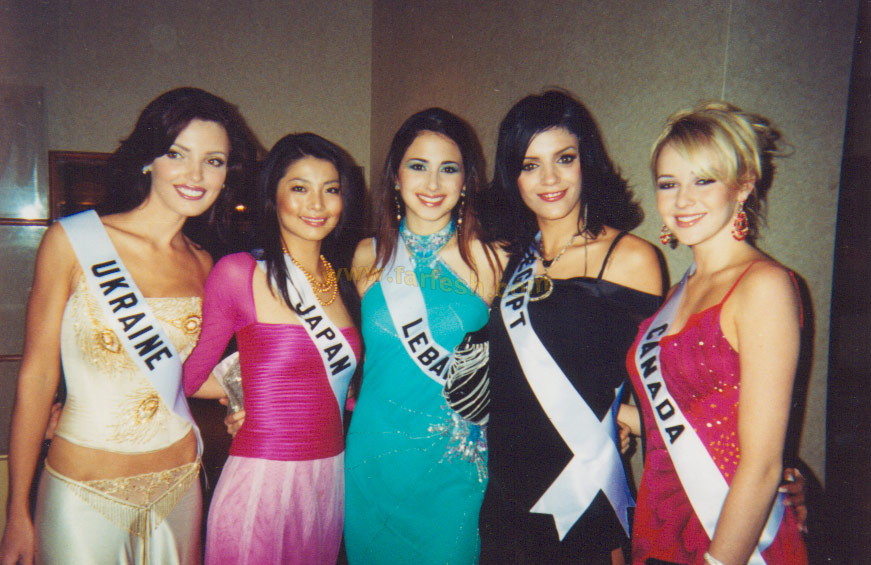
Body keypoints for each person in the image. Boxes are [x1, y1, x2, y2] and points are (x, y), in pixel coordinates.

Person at [0, 87, 255, 565]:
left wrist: (248, 399)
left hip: (180, 487)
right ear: (147, 159)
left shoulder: (205, 264)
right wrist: (17, 508)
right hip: (82, 491)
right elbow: (37, 375)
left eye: (214, 161)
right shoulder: (72, 241)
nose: (195, 175)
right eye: (177, 154)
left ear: (226, 176)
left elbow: (183, 374)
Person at [479, 90, 662, 564]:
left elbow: (666, 382)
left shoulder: (631, 259)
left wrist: (624, 418)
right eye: (530, 164)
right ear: (513, 176)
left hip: (580, 490)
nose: (550, 179)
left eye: (564, 158)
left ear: (587, 163)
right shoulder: (505, 259)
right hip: (505, 488)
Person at [625, 102, 808, 564]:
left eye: (704, 180)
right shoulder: (676, 293)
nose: (683, 200)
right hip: (659, 525)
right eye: (668, 183)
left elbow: (762, 465)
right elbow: (678, 420)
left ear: (743, 184)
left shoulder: (764, 287)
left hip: (733, 539)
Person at [182, 133, 364, 564]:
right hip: (263, 475)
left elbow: (343, 389)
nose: (317, 204)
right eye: (299, 188)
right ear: (273, 196)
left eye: (331, 189)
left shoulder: (345, 281)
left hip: (329, 477)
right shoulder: (239, 273)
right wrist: (245, 394)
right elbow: (188, 378)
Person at [343, 108, 504, 563]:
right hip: (374, 456)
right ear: (395, 176)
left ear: (466, 180)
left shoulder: (491, 259)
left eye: (448, 169)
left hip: (451, 466)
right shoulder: (367, 255)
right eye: (418, 166)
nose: (433, 183)